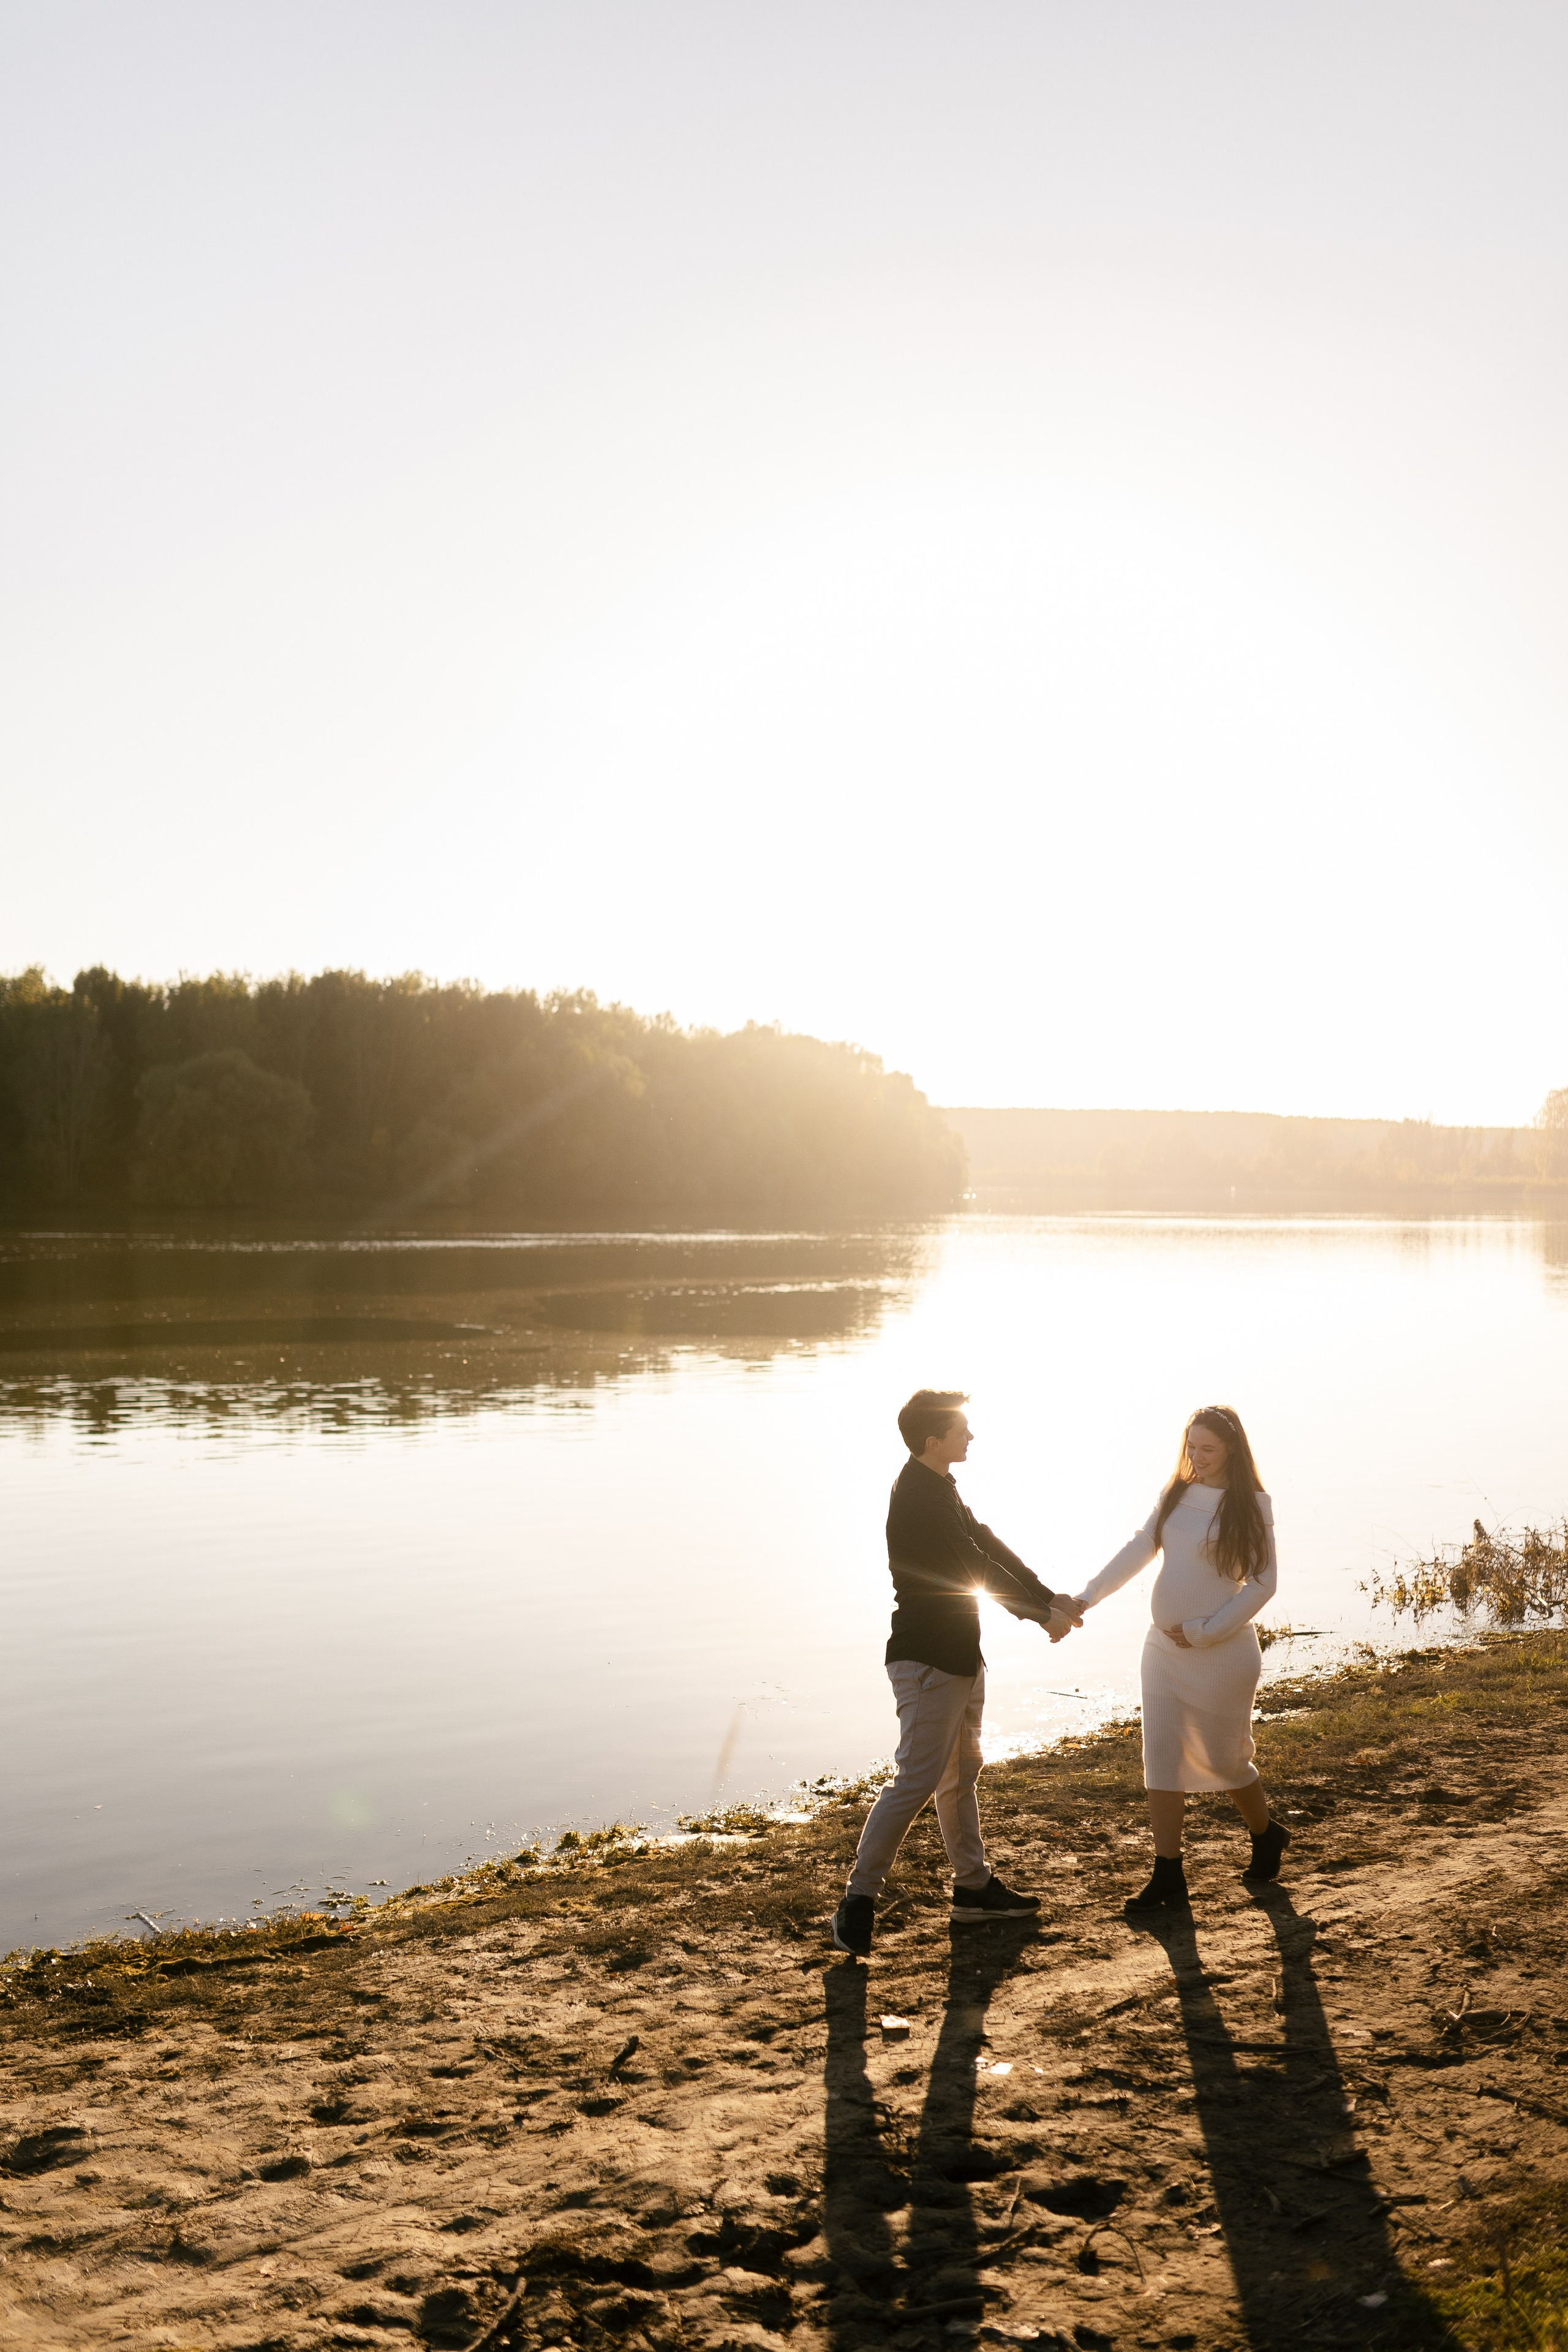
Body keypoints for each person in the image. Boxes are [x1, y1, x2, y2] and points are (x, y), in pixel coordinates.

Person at [829, 1389, 1081, 1960]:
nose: (972, 1437)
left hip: (959, 1655)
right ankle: (857, 1903)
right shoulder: (918, 1495)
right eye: (962, 1430)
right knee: (916, 1781)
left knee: (961, 1773)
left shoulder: (938, 1485)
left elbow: (985, 1543)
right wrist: (1040, 1615)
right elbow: (972, 1566)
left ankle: (972, 1888)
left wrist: (1047, 1594)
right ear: (933, 1438)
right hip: (927, 1661)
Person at [1070, 1404, 1286, 1914]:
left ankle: (1266, 1833)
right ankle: (1168, 1873)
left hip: (1222, 1654)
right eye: (1191, 1447)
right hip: (1162, 1652)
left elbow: (1264, 1583)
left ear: (1232, 1448)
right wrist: (1087, 1596)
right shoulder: (1176, 1493)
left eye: (1207, 1449)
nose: (1197, 1457)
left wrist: (1206, 1631)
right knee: (1162, 1760)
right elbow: (1141, 1546)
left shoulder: (1251, 1506)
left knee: (1227, 1761)